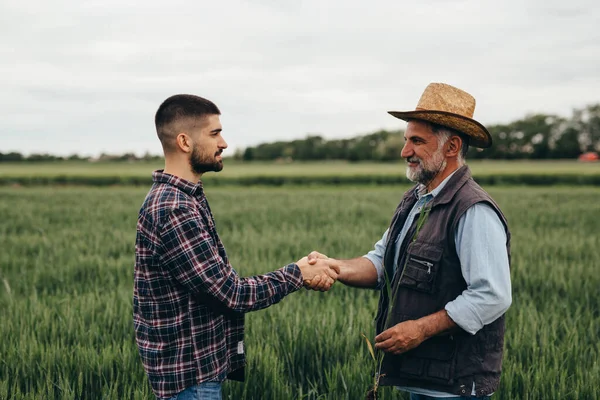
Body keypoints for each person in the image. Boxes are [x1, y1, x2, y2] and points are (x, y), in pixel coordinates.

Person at [307, 83, 512, 399]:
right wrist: (335, 267)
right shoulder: (416, 201)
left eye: (417, 141)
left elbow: (492, 295)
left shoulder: (473, 210)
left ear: (452, 146)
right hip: (422, 378)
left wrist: (420, 329)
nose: (405, 151)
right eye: (406, 141)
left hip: (454, 387)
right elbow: (381, 262)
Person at [133, 94, 340, 400]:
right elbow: (230, 293)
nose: (224, 143)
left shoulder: (185, 198)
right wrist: (298, 273)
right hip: (191, 381)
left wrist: (298, 271)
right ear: (185, 142)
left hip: (194, 375)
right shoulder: (175, 209)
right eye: (214, 133)